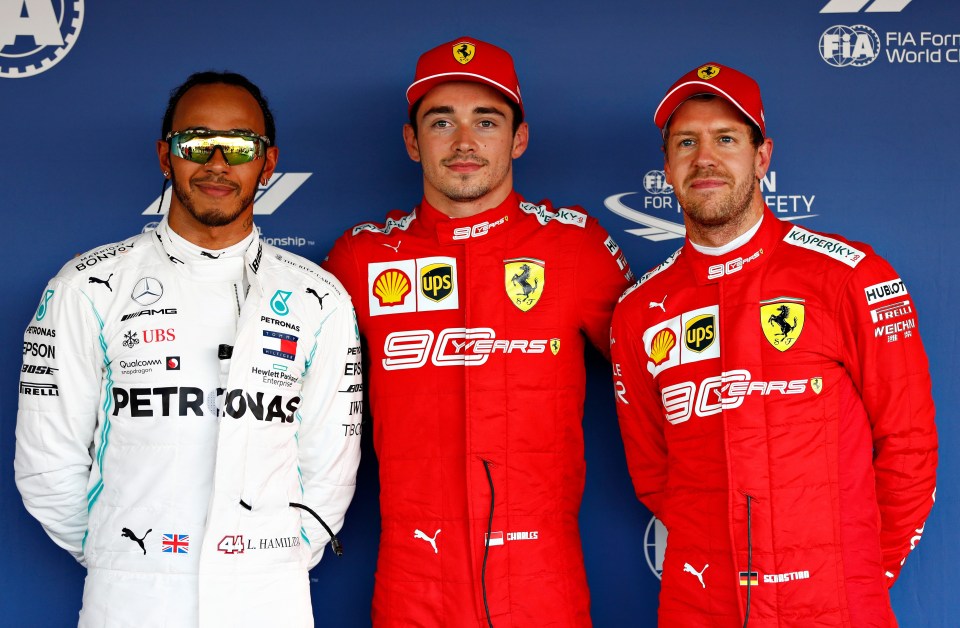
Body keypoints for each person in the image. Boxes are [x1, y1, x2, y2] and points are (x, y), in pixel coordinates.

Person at [15, 71, 362, 627]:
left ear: (267, 163)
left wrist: (267, 557)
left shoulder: (317, 297)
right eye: (196, 143)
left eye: (240, 145)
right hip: (130, 596)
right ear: (165, 157)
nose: (217, 163)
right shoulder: (87, 284)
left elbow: (331, 468)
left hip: (268, 594)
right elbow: (46, 461)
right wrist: (123, 552)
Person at [611, 62, 938, 626]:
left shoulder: (848, 276)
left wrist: (857, 573)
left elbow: (908, 447)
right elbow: (654, 471)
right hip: (700, 603)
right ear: (666, 167)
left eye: (726, 139)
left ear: (762, 157)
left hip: (836, 602)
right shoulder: (639, 311)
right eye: (686, 142)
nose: (704, 158)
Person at [323, 37, 634, 626]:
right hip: (414, 577)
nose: (464, 142)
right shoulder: (361, 257)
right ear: (413, 142)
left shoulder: (576, 249)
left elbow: (663, 379)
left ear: (518, 137)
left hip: (542, 577)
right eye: (442, 122)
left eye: (485, 121)